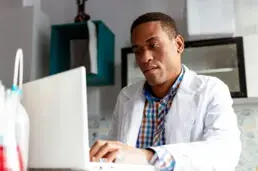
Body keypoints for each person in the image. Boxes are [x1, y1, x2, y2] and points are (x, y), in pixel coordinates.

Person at [89, 12, 241, 171]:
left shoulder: (211, 89)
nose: (144, 58)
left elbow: (224, 152)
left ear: (179, 45)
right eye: (138, 51)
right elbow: (115, 157)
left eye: (153, 45)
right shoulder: (126, 96)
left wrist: (147, 156)